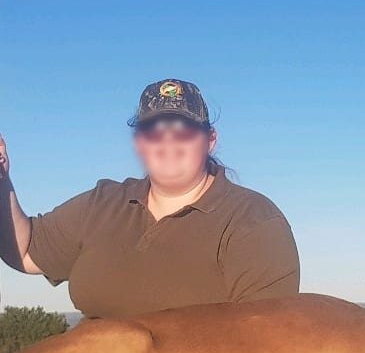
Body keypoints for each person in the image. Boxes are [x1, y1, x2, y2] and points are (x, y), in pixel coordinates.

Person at [0, 79, 300, 319]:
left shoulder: (253, 220)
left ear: (210, 140)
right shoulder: (102, 203)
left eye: (183, 130)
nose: (168, 141)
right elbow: (26, 252)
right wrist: (2, 178)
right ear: (139, 143)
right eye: (153, 130)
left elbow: (266, 340)